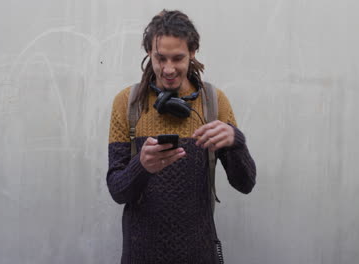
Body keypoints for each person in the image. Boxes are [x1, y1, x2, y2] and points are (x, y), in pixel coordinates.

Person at [107, 10, 256, 264]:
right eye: (160, 58)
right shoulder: (127, 103)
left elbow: (245, 183)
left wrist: (236, 142)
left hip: (199, 254)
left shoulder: (214, 103)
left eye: (178, 58)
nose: (168, 68)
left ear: (193, 53)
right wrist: (141, 166)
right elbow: (118, 190)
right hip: (140, 255)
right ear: (148, 53)